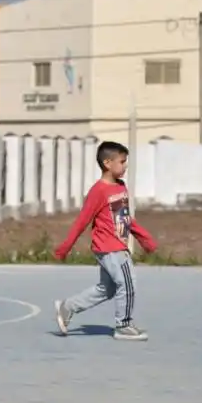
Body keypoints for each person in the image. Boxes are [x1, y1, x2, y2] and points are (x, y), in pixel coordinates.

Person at [53, 140, 157, 341]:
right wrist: (65, 247)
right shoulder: (98, 191)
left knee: (107, 289)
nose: (125, 166)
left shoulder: (120, 187)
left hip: (116, 246)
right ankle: (123, 325)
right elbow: (82, 221)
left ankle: (67, 307)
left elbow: (125, 218)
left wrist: (145, 238)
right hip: (109, 248)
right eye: (122, 162)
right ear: (107, 163)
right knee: (127, 282)